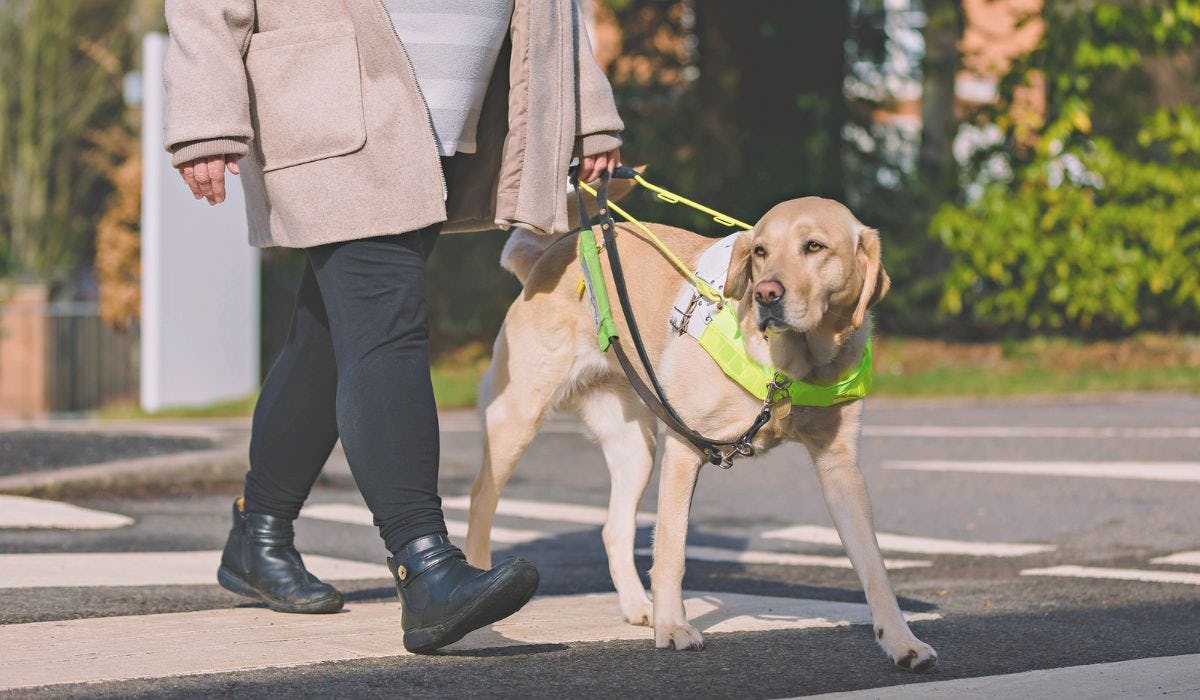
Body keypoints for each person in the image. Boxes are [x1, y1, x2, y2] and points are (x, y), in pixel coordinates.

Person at [162, 0, 623, 654]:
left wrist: (585, 115)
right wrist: (204, 117)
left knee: (330, 335)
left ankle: (257, 537)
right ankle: (426, 566)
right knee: (386, 322)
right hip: (331, 99)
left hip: (448, 122)